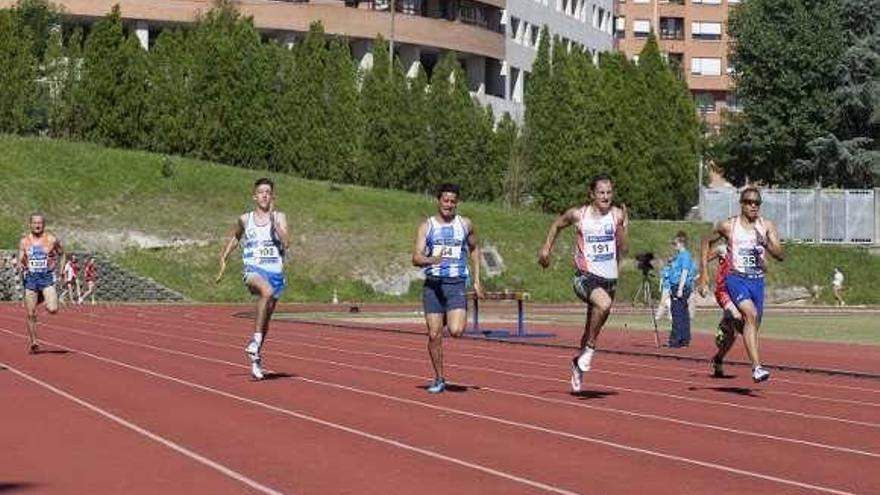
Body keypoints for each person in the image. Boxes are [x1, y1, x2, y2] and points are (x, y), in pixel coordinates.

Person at [538, 173, 628, 393]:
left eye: (609, 192)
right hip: (584, 277)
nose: (606, 197)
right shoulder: (579, 215)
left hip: (609, 279)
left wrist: (622, 226)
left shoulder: (617, 215)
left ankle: (577, 365)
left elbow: (624, 248)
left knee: (591, 326)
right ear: (592, 195)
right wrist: (546, 249)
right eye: (601, 193)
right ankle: (589, 349)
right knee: (604, 305)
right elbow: (557, 225)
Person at [699, 186, 783, 383]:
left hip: (757, 283)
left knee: (747, 326)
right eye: (749, 202)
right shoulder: (729, 226)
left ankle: (720, 354)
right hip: (736, 279)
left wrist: (766, 245)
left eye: (757, 203)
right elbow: (705, 241)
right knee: (750, 315)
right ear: (742, 204)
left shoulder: (767, 226)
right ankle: (757, 367)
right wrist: (703, 275)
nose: (753, 206)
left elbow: (780, 255)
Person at [412, 183, 483, 394]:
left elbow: (475, 248)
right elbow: (415, 257)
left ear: (457, 203)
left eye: (453, 201)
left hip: (455, 284)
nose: (449, 205)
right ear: (439, 201)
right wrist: (430, 259)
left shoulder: (465, 224)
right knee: (434, 335)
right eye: (445, 200)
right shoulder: (427, 226)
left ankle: (449, 314)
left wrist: (477, 280)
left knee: (456, 331)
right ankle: (440, 378)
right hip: (433, 286)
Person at [216, 178, 290, 380]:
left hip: (275, 272)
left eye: (268, 192)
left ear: (272, 196)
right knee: (266, 292)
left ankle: (256, 355)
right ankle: (254, 343)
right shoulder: (245, 219)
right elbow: (236, 237)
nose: (264, 195)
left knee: (265, 319)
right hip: (253, 270)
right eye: (261, 192)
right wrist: (224, 257)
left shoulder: (280, 217)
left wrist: (274, 224)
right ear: (255, 196)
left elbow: (287, 243)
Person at [16, 213, 63, 353]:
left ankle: (42, 297)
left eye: (40, 223)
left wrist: (61, 270)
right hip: (31, 279)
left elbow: (62, 253)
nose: (37, 225)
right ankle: (34, 342)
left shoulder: (51, 240)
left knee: (53, 309)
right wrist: (20, 265)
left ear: (44, 225)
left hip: (46, 278)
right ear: (30, 224)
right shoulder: (24, 241)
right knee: (30, 314)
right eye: (35, 223)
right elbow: (20, 258)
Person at [666, 231, 697, 348]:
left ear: (681, 243)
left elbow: (685, 272)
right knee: (683, 313)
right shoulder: (679, 256)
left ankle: (676, 339)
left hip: (681, 287)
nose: (674, 246)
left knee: (677, 313)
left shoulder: (685, 256)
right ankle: (684, 339)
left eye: (675, 243)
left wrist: (679, 288)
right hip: (678, 286)